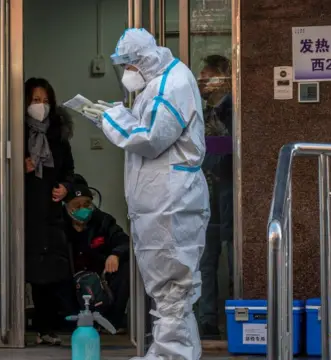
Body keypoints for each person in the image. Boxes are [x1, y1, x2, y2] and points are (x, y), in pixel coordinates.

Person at [81, 28, 210, 360]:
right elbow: (146, 128)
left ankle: (171, 355)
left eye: (129, 65)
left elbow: (152, 138)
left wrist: (112, 118)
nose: (127, 73)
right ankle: (176, 353)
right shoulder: (157, 83)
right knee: (171, 288)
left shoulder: (172, 84)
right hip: (162, 201)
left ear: (144, 60)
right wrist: (111, 118)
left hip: (170, 202)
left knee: (172, 288)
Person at [0, 78, 76, 345]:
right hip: (17, 212)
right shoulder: (8, 131)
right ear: (24, 103)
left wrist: (65, 188)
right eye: (35, 101)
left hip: (47, 214)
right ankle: (10, 327)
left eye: (45, 101)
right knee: (15, 271)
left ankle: (46, 330)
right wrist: (16, 167)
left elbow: (69, 171)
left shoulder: (59, 136)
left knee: (46, 277)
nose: (40, 106)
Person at [197, 54, 233, 339]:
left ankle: (235, 314)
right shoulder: (203, 110)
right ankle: (207, 320)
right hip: (206, 192)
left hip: (230, 189)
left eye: (207, 75)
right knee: (206, 260)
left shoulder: (233, 108)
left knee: (233, 255)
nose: (202, 81)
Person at [63, 181, 130, 332]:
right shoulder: (59, 224)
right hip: (70, 280)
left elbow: (123, 241)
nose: (83, 209)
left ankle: (112, 321)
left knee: (126, 268)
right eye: (77, 205)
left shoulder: (103, 221)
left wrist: (115, 254)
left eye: (86, 204)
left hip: (101, 279)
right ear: (67, 207)